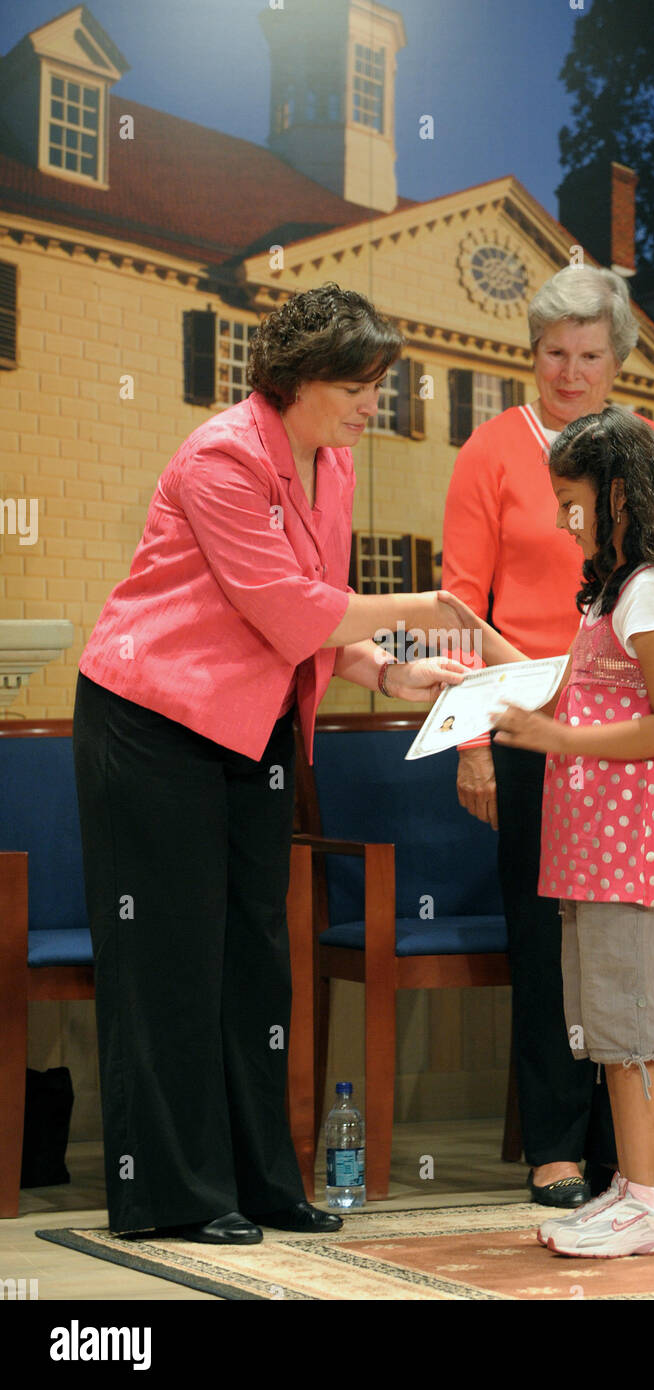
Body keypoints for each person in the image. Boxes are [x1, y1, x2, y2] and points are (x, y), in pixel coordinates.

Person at [73, 284, 472, 1244]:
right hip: (151, 722)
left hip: (255, 730)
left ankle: (261, 1182)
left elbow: (318, 613)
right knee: (171, 960)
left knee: (256, 962)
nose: (375, 402)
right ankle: (174, 1194)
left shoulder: (331, 463)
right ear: (295, 381)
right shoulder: (220, 454)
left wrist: (386, 673)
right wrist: (421, 607)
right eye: (357, 384)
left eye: (379, 384)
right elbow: (288, 608)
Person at [442, 265, 654, 1207]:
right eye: (553, 353)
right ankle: (558, 1151)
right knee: (546, 942)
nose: (570, 371)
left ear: (616, 360)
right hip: (529, 731)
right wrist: (475, 740)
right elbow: (455, 607)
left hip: (639, 740)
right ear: (531, 356)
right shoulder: (487, 450)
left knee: (626, 951)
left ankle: (628, 1165)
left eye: (589, 354)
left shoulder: (653, 452)